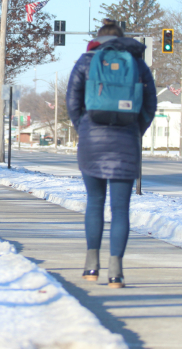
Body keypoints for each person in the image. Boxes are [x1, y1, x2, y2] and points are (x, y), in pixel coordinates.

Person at [66, 19, 157, 288]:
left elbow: (72, 101)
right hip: (126, 140)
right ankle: (116, 272)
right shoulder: (137, 63)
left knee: (94, 202)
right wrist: (135, 130)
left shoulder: (85, 61)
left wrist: (83, 128)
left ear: (98, 38)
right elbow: (150, 103)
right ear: (122, 38)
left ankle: (91, 266)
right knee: (120, 209)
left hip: (92, 141)